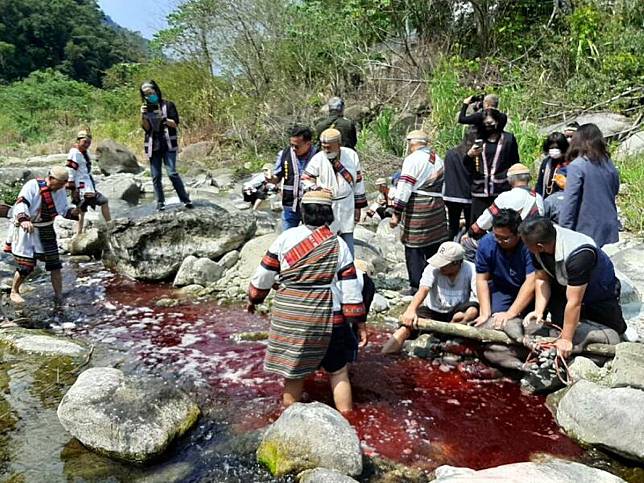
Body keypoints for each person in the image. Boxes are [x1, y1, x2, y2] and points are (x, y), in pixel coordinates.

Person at [246, 190, 367, 412]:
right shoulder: (337, 244)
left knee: (294, 372)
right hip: (328, 318)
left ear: (303, 212)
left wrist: (255, 299)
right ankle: (349, 421)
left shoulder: (284, 239)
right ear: (329, 214)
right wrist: (359, 323)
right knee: (338, 371)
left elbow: (263, 277)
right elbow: (350, 289)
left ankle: (289, 419)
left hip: (290, 318)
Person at [519, 217, 626, 359]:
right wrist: (539, 310)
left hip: (598, 289)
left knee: (611, 329)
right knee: (561, 325)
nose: (526, 248)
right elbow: (541, 278)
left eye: (527, 245)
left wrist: (566, 340)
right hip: (563, 283)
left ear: (539, 246)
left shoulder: (579, 253)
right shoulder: (540, 248)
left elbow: (574, 302)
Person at [382, 241, 479, 354]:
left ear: (456, 263)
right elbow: (423, 290)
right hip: (432, 311)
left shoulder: (471, 270)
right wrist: (410, 310)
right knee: (404, 329)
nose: (440, 267)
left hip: (456, 311)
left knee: (470, 312)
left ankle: (447, 337)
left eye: (445, 265)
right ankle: (384, 355)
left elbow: (478, 297)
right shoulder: (432, 268)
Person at [7, 167, 79, 304]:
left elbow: (63, 210)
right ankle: (14, 291)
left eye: (63, 184)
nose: (61, 187)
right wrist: (24, 220)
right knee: (26, 266)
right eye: (59, 183)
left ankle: (58, 295)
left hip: (46, 228)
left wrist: (74, 213)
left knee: (55, 264)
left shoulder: (61, 190)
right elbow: (21, 203)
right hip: (27, 229)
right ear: (51, 178)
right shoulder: (32, 186)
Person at [390, 130, 448, 294]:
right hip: (437, 205)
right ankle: (435, 280)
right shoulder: (438, 159)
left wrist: (397, 212)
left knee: (413, 246)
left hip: (418, 204)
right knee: (434, 244)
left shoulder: (412, 159)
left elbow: (404, 187)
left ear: (412, 143)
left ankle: (416, 285)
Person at [302, 128, 367, 255]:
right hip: (326, 205)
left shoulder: (351, 155)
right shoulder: (318, 158)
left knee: (347, 241)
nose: (326, 150)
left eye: (329, 147)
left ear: (339, 144)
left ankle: (348, 268)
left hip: (346, 203)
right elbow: (305, 179)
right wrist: (318, 189)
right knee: (326, 240)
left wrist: (358, 207)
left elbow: (358, 181)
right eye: (324, 147)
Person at [558, 123, 620, 247]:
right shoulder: (608, 163)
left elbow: (570, 201)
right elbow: (615, 189)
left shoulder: (577, 165)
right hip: (609, 226)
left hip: (586, 228)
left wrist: (564, 230)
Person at [474, 209, 535, 328]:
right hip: (503, 288)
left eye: (505, 238)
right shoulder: (487, 243)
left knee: (529, 323)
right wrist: (485, 313)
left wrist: (511, 313)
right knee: (494, 318)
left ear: (518, 233)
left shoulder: (528, 245)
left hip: (529, 289)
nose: (500, 241)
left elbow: (531, 281)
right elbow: (481, 279)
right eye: (497, 237)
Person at [139, 80, 193, 211]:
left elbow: (175, 123)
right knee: (156, 175)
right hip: (154, 144)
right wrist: (143, 115)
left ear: (156, 90)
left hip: (168, 143)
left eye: (150, 92)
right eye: (145, 94)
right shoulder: (145, 108)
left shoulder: (168, 105)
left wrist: (162, 118)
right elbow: (146, 128)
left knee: (172, 173)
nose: (148, 95)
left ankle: (185, 199)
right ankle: (160, 202)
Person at [463, 108, 520, 225]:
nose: (488, 126)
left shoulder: (508, 139)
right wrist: (470, 155)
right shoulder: (475, 138)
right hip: (479, 190)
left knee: (501, 224)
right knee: (478, 225)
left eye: (491, 123)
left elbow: (515, 162)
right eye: (485, 124)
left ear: (498, 122)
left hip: (501, 190)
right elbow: (466, 164)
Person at [469, 163, 544, 237]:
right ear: (529, 179)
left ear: (510, 180)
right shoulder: (537, 197)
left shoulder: (505, 197)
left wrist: (473, 229)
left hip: (511, 241)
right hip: (533, 239)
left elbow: (484, 222)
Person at [267, 125, 317, 229]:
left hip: (312, 206)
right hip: (290, 205)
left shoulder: (318, 156)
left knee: (310, 239)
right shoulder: (284, 154)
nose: (293, 148)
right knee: (287, 237)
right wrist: (271, 179)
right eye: (291, 145)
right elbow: (277, 177)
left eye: (297, 146)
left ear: (308, 144)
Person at [66, 128, 111, 234]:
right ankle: (110, 224)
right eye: (84, 142)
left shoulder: (83, 153)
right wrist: (73, 188)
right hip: (83, 187)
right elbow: (70, 169)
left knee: (82, 210)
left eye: (88, 143)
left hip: (87, 185)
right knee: (103, 201)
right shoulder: (75, 153)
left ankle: (78, 232)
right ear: (78, 141)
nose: (86, 144)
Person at [443, 131, 475, 239]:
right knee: (471, 226)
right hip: (468, 195)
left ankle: (450, 247)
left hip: (450, 195)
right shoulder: (472, 155)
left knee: (452, 226)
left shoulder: (450, 153)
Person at [535, 132, 570, 199]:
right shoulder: (546, 162)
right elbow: (540, 184)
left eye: (556, 147)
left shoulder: (569, 164)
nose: (554, 150)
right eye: (551, 147)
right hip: (546, 199)